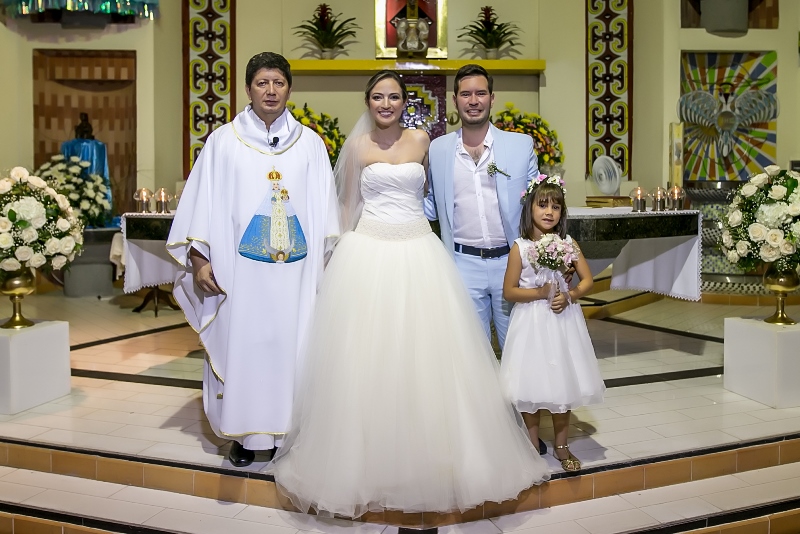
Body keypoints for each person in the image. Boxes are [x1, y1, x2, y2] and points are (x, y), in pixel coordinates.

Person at [269, 70, 549, 518]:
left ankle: (461, 448)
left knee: (432, 359)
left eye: (394, 96)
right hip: (368, 252)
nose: (385, 103)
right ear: (368, 101)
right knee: (368, 358)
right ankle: (369, 456)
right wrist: (335, 257)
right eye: (378, 96)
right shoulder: (357, 148)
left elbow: (435, 200)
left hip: (420, 252)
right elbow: (346, 209)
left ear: (405, 101)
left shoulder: (426, 143)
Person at [166, 52, 339, 468]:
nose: (271, 91)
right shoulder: (223, 142)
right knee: (244, 346)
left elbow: (327, 214)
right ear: (247, 89)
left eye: (279, 83)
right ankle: (245, 436)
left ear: (289, 89)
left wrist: (326, 267)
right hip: (238, 274)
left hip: (295, 277)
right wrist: (199, 259)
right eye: (262, 83)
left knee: (293, 349)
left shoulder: (311, 144)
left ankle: (289, 435)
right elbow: (201, 206)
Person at [425, 63, 548, 454]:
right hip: (461, 264)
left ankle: (525, 433)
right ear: (455, 100)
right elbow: (428, 204)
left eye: (480, 93)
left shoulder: (519, 145)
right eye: (465, 94)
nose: (473, 101)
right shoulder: (440, 149)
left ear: (492, 98)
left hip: (512, 263)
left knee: (518, 349)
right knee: (471, 355)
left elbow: (537, 207)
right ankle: (480, 437)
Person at [500, 176, 605, 472]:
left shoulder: (568, 243)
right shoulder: (519, 248)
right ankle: (532, 442)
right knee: (530, 382)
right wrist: (540, 293)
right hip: (531, 321)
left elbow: (588, 281)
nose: (549, 211)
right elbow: (509, 291)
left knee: (562, 381)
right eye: (542, 204)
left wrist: (569, 296)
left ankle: (561, 444)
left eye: (556, 206)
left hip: (562, 321)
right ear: (530, 208)